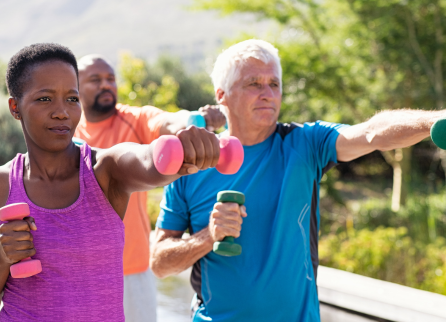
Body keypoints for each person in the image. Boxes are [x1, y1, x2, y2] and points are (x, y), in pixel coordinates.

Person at [149, 39, 445, 321]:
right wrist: (208, 236)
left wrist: (433, 121)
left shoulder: (305, 143)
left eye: (274, 84)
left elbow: (371, 132)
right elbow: (160, 263)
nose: (267, 93)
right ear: (222, 95)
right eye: (254, 83)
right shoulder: (191, 164)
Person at [0, 43, 223, 322]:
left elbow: (147, 161)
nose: (61, 112)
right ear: (15, 107)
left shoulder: (105, 170)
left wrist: (183, 149)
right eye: (45, 99)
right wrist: (3, 257)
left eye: (72, 99)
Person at [74, 54, 227, 322]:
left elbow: (169, 122)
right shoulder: (68, 132)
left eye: (110, 79)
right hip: (77, 271)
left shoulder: (135, 118)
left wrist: (196, 120)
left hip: (131, 270)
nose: (106, 85)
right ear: (75, 87)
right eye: (95, 80)